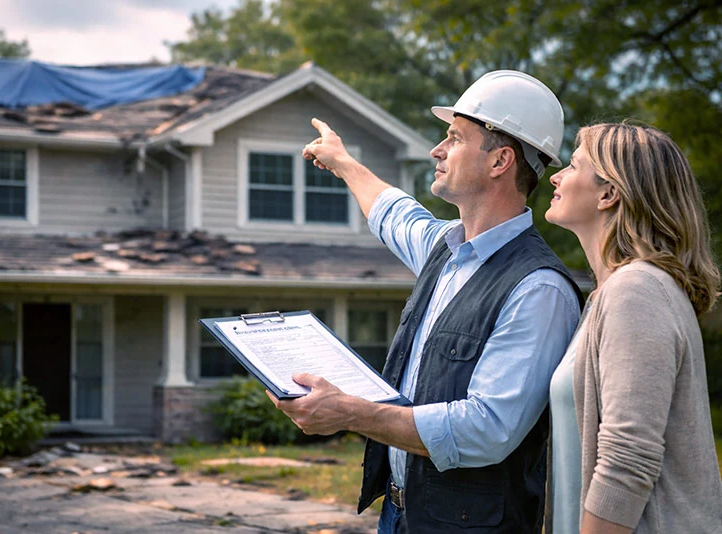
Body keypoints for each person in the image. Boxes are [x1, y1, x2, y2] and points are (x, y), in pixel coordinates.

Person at [268, 70, 584, 533]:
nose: (437, 150)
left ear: (500, 161)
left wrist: (351, 412)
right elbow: (394, 214)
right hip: (399, 515)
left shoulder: (538, 289)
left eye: (454, 138)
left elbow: (487, 429)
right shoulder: (446, 250)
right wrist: (343, 163)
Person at [545, 122, 722, 534]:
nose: (555, 177)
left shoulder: (636, 290)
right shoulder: (611, 295)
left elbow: (627, 460)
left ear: (608, 193)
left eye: (573, 166)